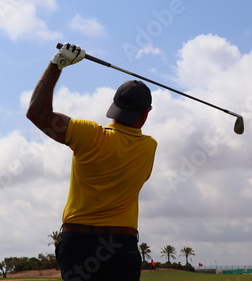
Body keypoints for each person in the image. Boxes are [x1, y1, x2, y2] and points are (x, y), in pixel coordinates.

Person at [26, 43, 157, 281]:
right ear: (146, 113)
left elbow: (37, 112)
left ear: (114, 106)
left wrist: (57, 64)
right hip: (122, 244)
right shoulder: (149, 147)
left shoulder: (89, 135)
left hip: (78, 243)